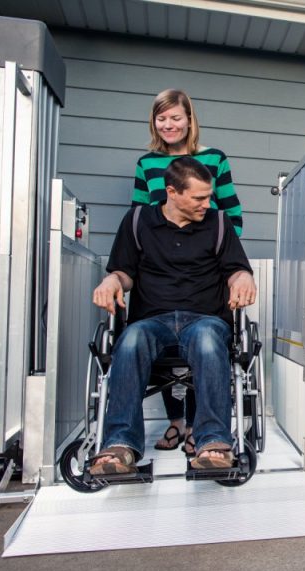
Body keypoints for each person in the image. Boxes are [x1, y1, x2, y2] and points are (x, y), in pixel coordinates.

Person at [88, 157, 257, 474]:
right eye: (199, 198)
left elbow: (235, 270)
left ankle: (213, 444)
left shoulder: (219, 224)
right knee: (130, 339)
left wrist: (243, 278)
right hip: (152, 321)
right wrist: (112, 280)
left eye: (209, 196)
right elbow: (124, 272)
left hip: (204, 320)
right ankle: (120, 447)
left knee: (208, 341)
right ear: (172, 192)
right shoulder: (138, 221)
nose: (207, 203)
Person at [132, 89, 244, 454]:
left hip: (204, 266)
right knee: (157, 329)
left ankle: (199, 426)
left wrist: (219, 253)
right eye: (161, 118)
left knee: (203, 337)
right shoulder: (147, 163)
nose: (169, 125)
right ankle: (175, 422)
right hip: (160, 267)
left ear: (189, 119)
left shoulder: (214, 158)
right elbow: (140, 216)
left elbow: (230, 212)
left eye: (175, 117)